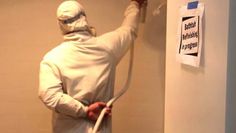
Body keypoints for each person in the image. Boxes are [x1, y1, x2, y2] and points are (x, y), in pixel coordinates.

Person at [38, 0, 145, 133]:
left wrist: (85, 111)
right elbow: (129, 29)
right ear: (84, 17)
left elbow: (50, 96)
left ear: (60, 24)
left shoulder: (52, 58)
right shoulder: (107, 47)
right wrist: (135, 5)